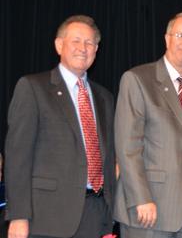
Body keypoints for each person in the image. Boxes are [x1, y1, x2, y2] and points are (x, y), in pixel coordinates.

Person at [4, 15, 116, 238]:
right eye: (76, 40)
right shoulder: (33, 88)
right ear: (59, 45)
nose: (82, 48)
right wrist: (18, 216)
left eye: (89, 43)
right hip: (46, 217)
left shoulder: (105, 97)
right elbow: (18, 157)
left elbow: (109, 156)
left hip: (95, 216)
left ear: (96, 49)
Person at [113, 11, 182, 237]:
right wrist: (141, 198)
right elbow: (128, 148)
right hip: (149, 209)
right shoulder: (137, 79)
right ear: (167, 38)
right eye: (181, 35)